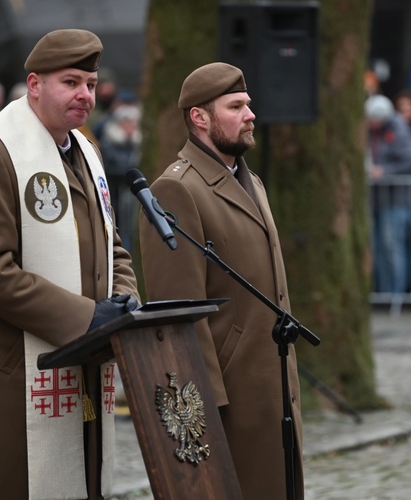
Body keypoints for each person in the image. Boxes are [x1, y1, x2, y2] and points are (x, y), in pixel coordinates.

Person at [0, 29, 140, 500]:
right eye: (70, 82)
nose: (85, 95)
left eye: (90, 84)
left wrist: (127, 305)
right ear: (34, 85)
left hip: (83, 368)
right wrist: (87, 319)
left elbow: (114, 246)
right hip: (13, 375)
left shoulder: (85, 153)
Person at [138, 62, 304, 500]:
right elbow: (179, 315)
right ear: (200, 118)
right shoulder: (176, 191)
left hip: (273, 388)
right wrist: (205, 411)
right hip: (229, 402)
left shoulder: (252, 182)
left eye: (248, 104)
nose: (251, 114)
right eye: (236, 106)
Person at [365, 93, 411, 294]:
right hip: (377, 198)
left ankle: (396, 295)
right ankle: (383, 292)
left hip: (397, 199)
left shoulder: (399, 129)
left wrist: (385, 171)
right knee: (378, 247)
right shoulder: (373, 131)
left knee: (392, 246)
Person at [99, 102, 142, 252]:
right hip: (115, 195)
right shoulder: (110, 142)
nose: (131, 126)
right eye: (128, 122)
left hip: (128, 197)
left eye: (133, 123)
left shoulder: (134, 143)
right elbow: (112, 168)